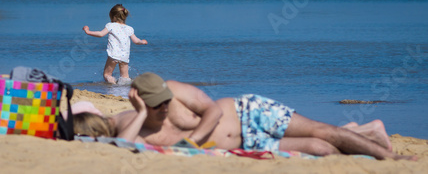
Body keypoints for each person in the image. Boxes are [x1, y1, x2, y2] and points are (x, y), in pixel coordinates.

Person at [75, 73, 416, 161]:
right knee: (321, 148)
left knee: (324, 131)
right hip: (247, 142)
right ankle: (366, 131)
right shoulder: (126, 122)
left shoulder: (175, 90)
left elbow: (212, 110)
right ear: (140, 103)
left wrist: (194, 141)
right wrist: (138, 113)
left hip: (247, 113)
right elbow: (120, 146)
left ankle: (390, 155)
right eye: (156, 105)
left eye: (165, 100)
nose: (165, 107)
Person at [82, 4, 148, 84]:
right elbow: (136, 41)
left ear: (113, 17)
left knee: (107, 74)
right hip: (124, 56)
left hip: (113, 55)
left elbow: (100, 34)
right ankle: (124, 90)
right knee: (125, 77)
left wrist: (88, 32)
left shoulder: (111, 25)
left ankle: (113, 85)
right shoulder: (129, 28)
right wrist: (142, 42)